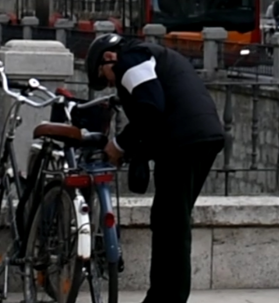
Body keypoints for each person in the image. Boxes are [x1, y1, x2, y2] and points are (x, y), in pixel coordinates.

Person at [86, 33, 224, 303]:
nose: (112, 84)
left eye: (106, 77)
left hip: (184, 141)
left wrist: (119, 144)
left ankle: (166, 298)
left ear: (108, 58)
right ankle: (163, 296)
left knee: (171, 225)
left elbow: (150, 108)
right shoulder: (150, 55)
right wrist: (138, 152)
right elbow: (155, 115)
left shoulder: (130, 60)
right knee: (170, 219)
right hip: (200, 136)